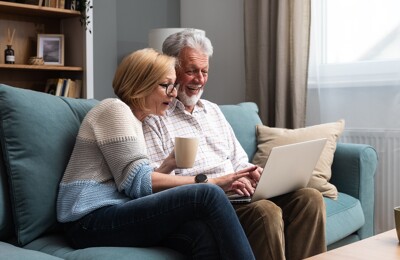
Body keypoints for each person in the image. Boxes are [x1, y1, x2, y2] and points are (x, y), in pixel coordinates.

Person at [143, 29, 327, 260]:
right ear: (171, 69)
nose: (199, 79)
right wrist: (222, 184)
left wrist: (252, 173)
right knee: (265, 212)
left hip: (239, 193)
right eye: (191, 71)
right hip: (207, 202)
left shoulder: (213, 111)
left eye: (204, 71)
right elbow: (156, 183)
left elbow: (239, 160)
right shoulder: (156, 117)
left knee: (309, 198)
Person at [56, 48, 256, 260]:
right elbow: (138, 181)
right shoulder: (114, 110)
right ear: (140, 84)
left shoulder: (137, 122)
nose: (173, 93)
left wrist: (169, 164)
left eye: (173, 85)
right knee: (208, 193)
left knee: (200, 233)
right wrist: (212, 181)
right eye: (165, 85)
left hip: (116, 211)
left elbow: (139, 187)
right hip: (87, 220)